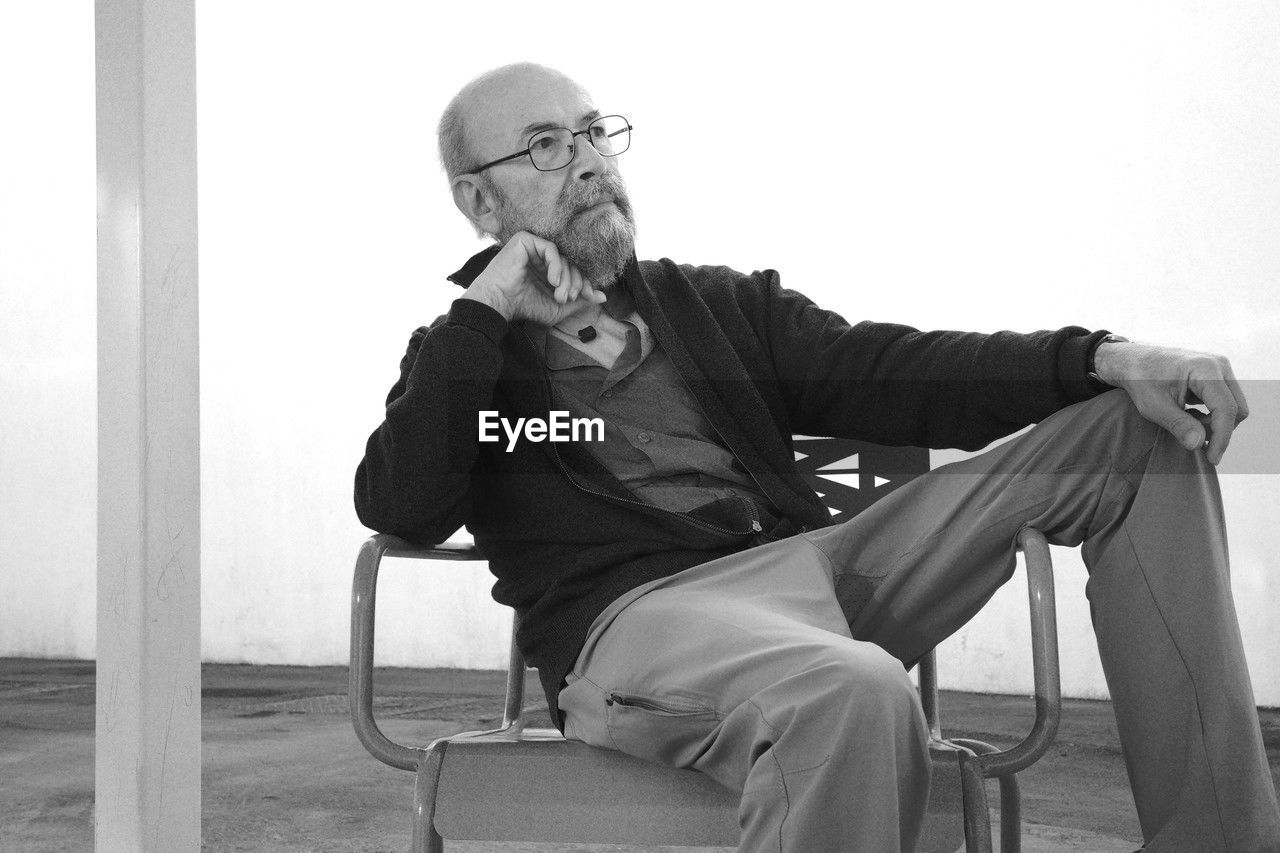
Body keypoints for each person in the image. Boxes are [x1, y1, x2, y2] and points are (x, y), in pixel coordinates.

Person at [354, 62, 1280, 852]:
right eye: (549, 145)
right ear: (479, 199)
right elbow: (403, 502)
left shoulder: (715, 306)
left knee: (1137, 435)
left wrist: (1106, 354)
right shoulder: (460, 359)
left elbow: (904, 369)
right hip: (638, 624)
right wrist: (483, 311)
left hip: (817, 574)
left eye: (595, 132)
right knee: (857, 690)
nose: (593, 161)